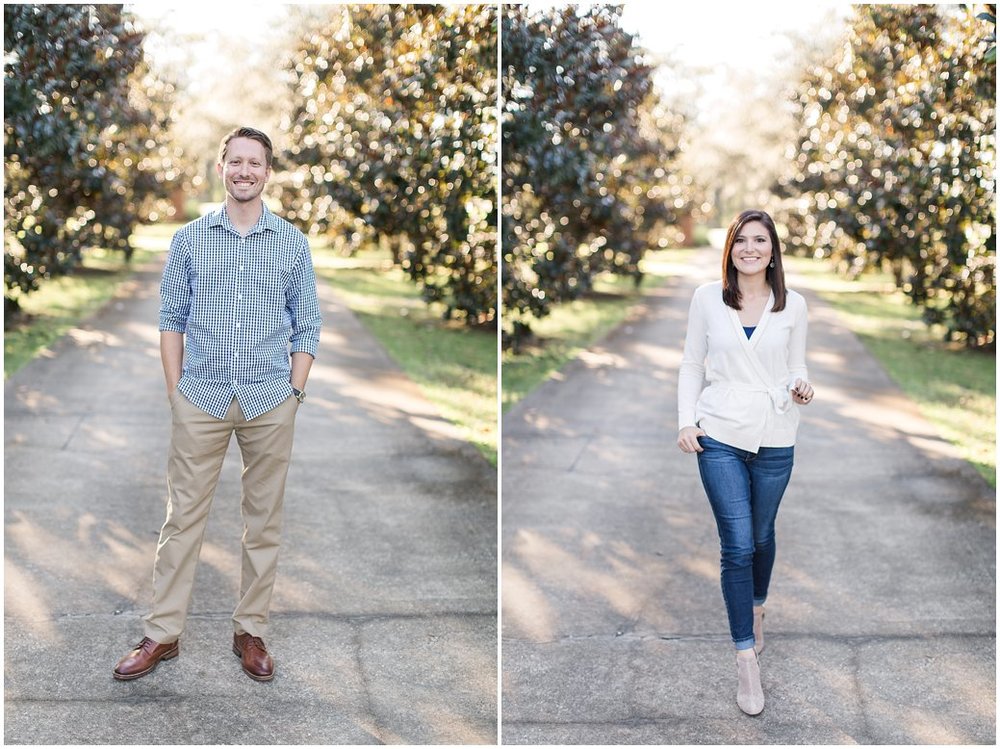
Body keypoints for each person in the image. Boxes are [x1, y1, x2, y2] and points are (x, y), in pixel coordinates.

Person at [114, 126, 322, 683]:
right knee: (181, 519)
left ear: (268, 172)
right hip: (201, 397)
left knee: (263, 522)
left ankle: (249, 630)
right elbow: (171, 322)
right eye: (236, 162)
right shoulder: (189, 240)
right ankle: (162, 633)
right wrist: (175, 392)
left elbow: (307, 324)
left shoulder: (292, 243)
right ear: (222, 167)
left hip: (270, 398)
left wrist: (295, 393)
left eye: (255, 163)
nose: (245, 171)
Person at [676, 209, 814, 715]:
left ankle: (757, 608)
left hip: (776, 434)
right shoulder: (706, 299)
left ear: (773, 251)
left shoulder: (793, 305)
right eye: (741, 241)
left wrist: (802, 385)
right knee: (736, 544)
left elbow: (796, 364)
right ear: (730, 248)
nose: (750, 249)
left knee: (761, 535)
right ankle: (745, 661)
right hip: (719, 432)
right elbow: (692, 363)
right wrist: (686, 421)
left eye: (760, 241)